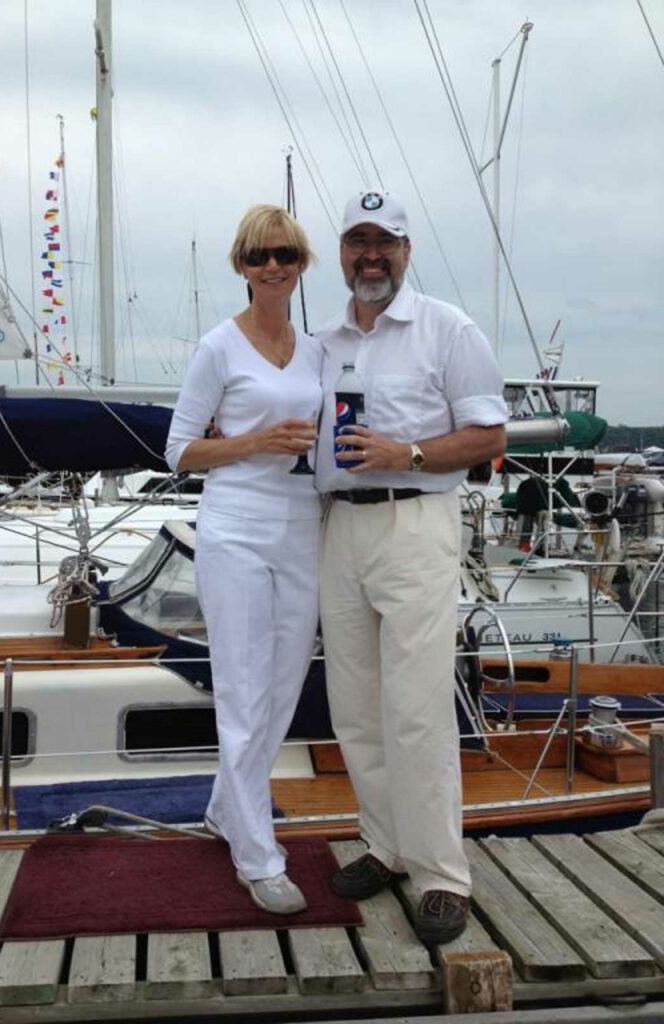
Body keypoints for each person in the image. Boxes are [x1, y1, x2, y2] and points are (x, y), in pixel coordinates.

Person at [315, 189, 508, 944]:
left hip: (414, 522)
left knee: (417, 706)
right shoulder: (326, 341)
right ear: (342, 253)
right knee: (355, 703)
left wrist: (411, 454)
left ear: (406, 250)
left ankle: (439, 873)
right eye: (358, 243)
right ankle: (386, 844)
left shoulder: (447, 330)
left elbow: (488, 436)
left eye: (384, 243)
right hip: (341, 530)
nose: (371, 256)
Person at [165, 205, 321, 915]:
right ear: (241, 265)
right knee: (243, 686)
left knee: (282, 688)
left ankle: (228, 811)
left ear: (300, 263)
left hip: (300, 527)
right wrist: (256, 442)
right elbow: (178, 451)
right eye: (259, 256)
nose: (272, 266)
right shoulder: (218, 348)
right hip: (234, 527)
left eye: (284, 254)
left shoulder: (317, 351)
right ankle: (259, 855)